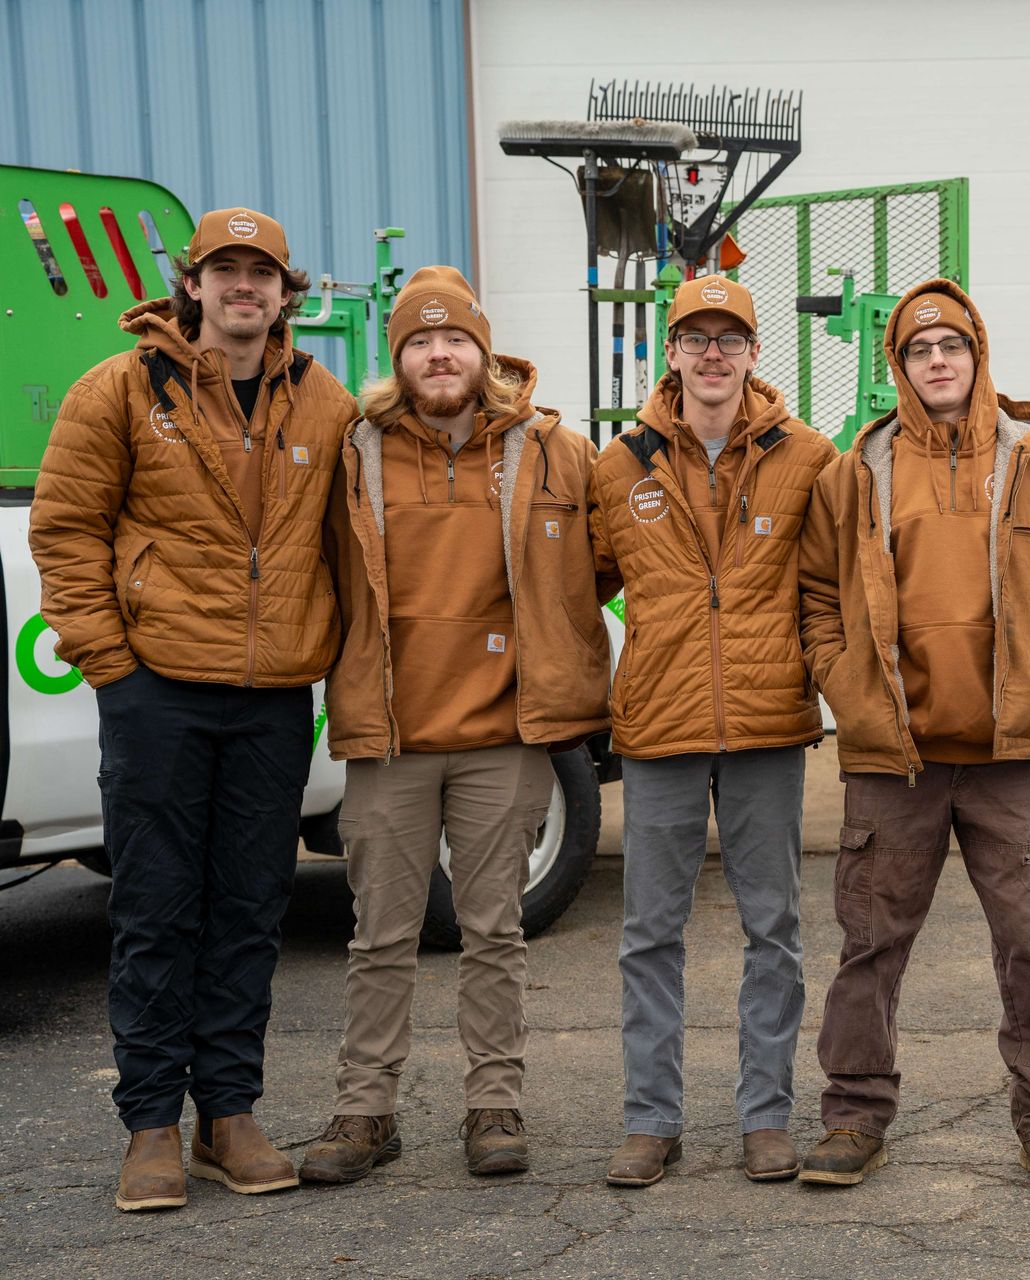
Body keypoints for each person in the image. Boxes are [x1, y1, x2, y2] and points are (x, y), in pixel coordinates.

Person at [29, 207, 358, 1211]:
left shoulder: (323, 404)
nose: (243, 286)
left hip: (270, 699)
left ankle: (229, 1112)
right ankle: (150, 1125)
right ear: (195, 283)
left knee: (249, 908)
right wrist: (111, 665)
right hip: (158, 690)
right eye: (226, 269)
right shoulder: (121, 388)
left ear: (287, 293)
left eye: (262, 272)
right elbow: (66, 527)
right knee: (156, 906)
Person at [796, 280, 1030, 1192]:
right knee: (870, 943)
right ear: (897, 367)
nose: (938, 361)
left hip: (1011, 756)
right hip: (894, 756)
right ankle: (854, 1116)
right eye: (918, 350)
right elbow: (818, 597)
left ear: (979, 356)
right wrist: (847, 685)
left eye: (953, 347)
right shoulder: (854, 472)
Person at [299, 267, 610, 1184]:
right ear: (397, 358)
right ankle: (366, 1114)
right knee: (380, 937)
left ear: (484, 351)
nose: (441, 354)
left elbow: (604, 563)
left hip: (505, 739)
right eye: (421, 341)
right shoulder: (351, 451)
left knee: (494, 932)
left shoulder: (555, 451)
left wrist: (547, 647)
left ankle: (494, 1105)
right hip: (390, 736)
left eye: (457, 340)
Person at [592, 275, 837, 1187]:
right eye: (695, 337)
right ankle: (651, 1120)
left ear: (753, 353)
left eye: (728, 338)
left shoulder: (808, 457)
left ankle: (765, 1115)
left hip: (769, 722)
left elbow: (834, 586)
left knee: (772, 926)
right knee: (649, 931)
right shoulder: (618, 465)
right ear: (673, 351)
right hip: (658, 724)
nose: (712, 354)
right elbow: (579, 587)